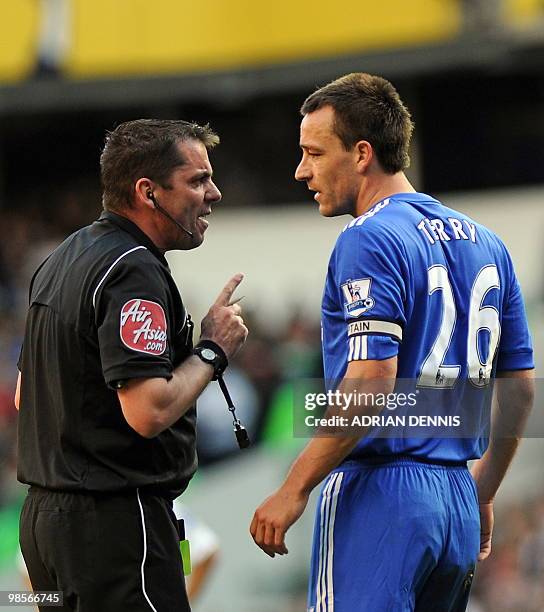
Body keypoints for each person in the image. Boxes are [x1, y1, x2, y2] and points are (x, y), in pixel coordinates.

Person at [250, 73, 535, 611]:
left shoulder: (368, 238)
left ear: (361, 154)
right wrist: (484, 490)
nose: (301, 170)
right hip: (455, 498)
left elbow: (372, 382)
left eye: (313, 152)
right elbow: (519, 388)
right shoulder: (488, 243)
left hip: (382, 496)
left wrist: (294, 488)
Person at [15, 118, 248, 612]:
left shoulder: (61, 258)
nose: (215, 193)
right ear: (148, 191)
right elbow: (148, 411)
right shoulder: (133, 268)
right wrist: (212, 348)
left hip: (43, 524)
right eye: (198, 180)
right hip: (117, 524)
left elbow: (23, 395)